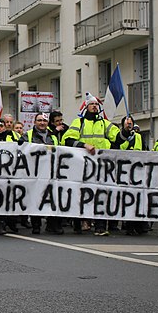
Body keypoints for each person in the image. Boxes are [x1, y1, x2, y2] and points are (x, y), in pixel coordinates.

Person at [63, 93, 119, 236]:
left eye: (96, 105)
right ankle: (78, 224)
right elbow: (67, 140)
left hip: (101, 166)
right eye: (92, 104)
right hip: (83, 166)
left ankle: (100, 226)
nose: (94, 106)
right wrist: (84, 145)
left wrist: (126, 130)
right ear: (86, 107)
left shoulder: (104, 123)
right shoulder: (79, 122)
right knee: (81, 195)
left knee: (101, 195)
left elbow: (118, 139)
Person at [20, 113, 62, 234]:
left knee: (52, 198)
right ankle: (36, 225)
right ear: (34, 122)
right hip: (34, 172)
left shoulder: (53, 136)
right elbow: (20, 150)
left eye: (44, 120)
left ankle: (52, 224)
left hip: (50, 171)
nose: (42, 123)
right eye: (39, 120)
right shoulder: (27, 135)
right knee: (36, 198)